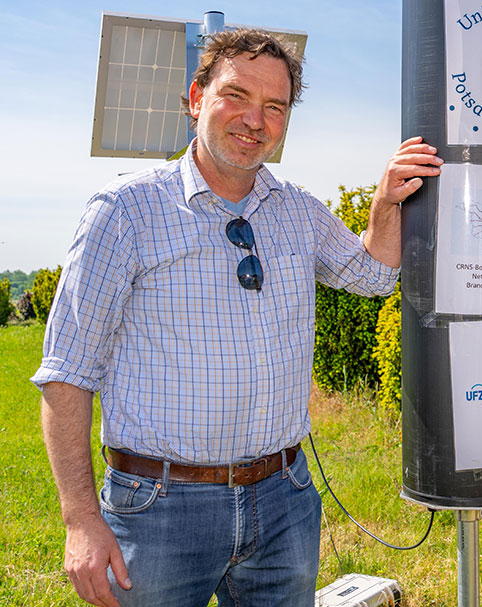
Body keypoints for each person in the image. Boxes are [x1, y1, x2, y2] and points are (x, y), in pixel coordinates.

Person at [32, 29, 442, 607]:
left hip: (283, 499)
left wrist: (383, 205)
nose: (255, 120)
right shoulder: (125, 212)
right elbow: (67, 372)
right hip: (159, 508)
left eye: (275, 106)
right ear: (197, 97)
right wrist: (80, 520)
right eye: (237, 96)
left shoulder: (297, 210)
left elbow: (371, 276)